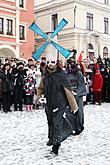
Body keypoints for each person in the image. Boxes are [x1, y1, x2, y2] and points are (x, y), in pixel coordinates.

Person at [37, 59, 78, 155]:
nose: (51, 65)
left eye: (53, 62)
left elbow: (68, 89)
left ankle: (56, 145)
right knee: (50, 121)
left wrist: (73, 104)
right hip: (49, 102)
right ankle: (53, 138)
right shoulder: (45, 76)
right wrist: (39, 96)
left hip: (60, 102)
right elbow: (41, 88)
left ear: (56, 63)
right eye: (49, 62)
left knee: (56, 122)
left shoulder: (61, 75)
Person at [66, 60, 86, 135]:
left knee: (79, 111)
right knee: (68, 111)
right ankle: (72, 127)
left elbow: (81, 85)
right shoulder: (66, 73)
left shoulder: (79, 73)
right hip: (69, 95)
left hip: (78, 95)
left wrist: (77, 93)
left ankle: (79, 127)